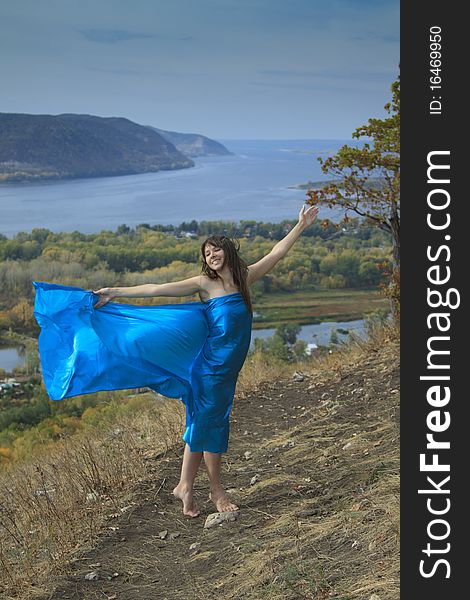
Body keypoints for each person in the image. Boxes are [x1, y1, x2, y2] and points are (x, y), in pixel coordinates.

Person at [90, 204, 318, 517]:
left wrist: (301, 225)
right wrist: (115, 291)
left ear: (227, 252)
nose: (211, 255)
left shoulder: (244, 278)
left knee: (202, 421)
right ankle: (215, 490)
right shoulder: (204, 284)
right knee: (213, 423)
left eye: (216, 250)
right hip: (210, 369)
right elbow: (157, 288)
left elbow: (277, 253)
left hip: (227, 369)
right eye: (207, 253)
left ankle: (184, 485)